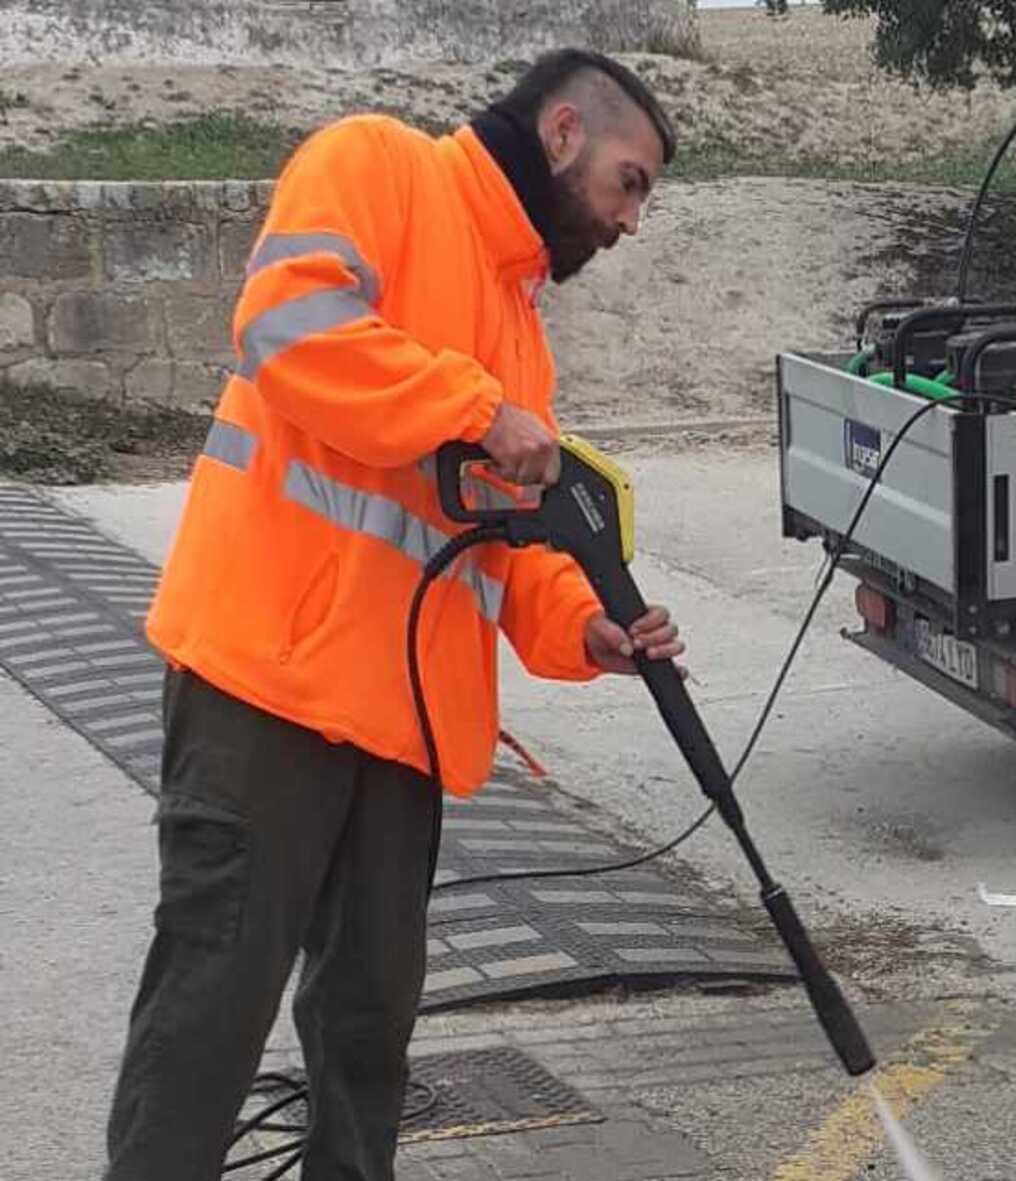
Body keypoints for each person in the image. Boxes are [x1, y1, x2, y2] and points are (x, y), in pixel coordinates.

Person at [104, 50, 685, 1180]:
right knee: (212, 1001)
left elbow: (503, 540)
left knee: (370, 1026)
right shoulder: (377, 164)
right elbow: (287, 325)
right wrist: (471, 407)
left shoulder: (519, 327)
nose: (629, 219)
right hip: (268, 685)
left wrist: (584, 626)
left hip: (401, 725)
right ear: (562, 134)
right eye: (629, 182)